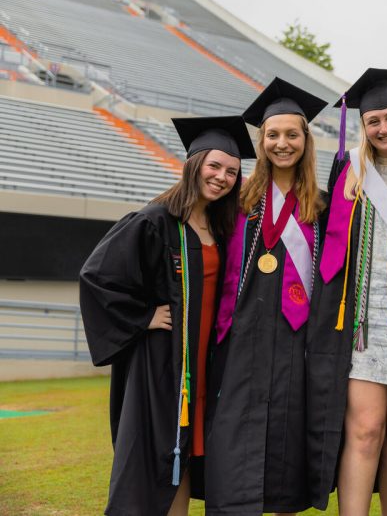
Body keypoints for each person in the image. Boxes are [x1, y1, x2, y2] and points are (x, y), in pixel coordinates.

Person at [79, 115, 254, 515]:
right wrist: (143, 317)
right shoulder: (156, 220)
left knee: (184, 456)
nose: (222, 177)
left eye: (231, 171)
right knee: (156, 456)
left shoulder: (220, 226)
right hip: (163, 364)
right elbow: (96, 275)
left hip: (204, 362)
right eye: (214, 166)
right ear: (193, 165)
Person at [306, 68, 387, 516]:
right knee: (366, 430)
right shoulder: (349, 172)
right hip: (360, 324)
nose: (383, 128)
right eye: (373, 121)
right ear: (362, 126)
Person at [202, 78, 328, 516]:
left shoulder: (323, 208)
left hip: (297, 344)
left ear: (305, 140)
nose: (282, 143)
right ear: (261, 141)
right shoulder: (235, 202)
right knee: (233, 442)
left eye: (292, 134)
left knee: (286, 446)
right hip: (239, 341)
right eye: (272, 135)